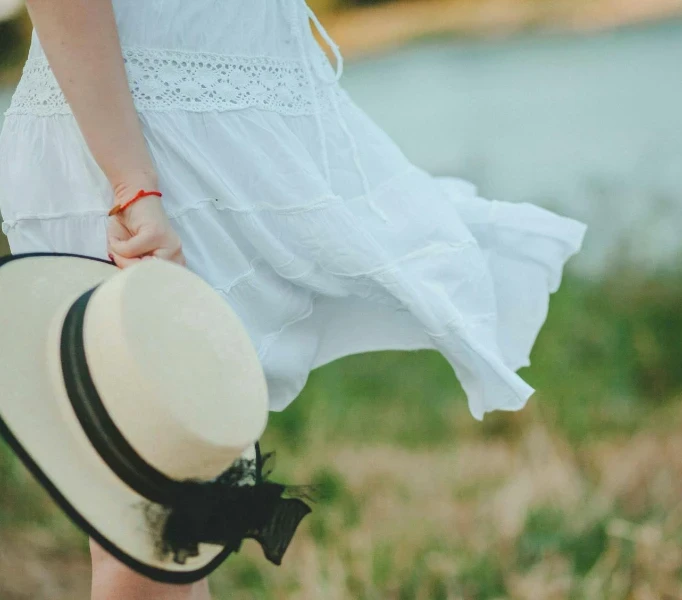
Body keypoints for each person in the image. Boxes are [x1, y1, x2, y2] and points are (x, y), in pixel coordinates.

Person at [0, 0, 586, 598]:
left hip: (223, 145)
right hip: (134, 160)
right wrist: (131, 185)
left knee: (176, 530)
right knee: (150, 537)